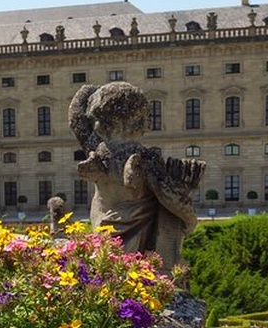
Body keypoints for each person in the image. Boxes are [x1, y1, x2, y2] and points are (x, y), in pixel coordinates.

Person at [68, 82, 204, 269]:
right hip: (136, 243)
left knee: (105, 277)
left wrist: (90, 91)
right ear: (140, 121)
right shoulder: (146, 159)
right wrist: (189, 205)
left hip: (103, 231)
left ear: (100, 122)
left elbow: (76, 120)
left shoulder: (99, 151)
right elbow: (172, 202)